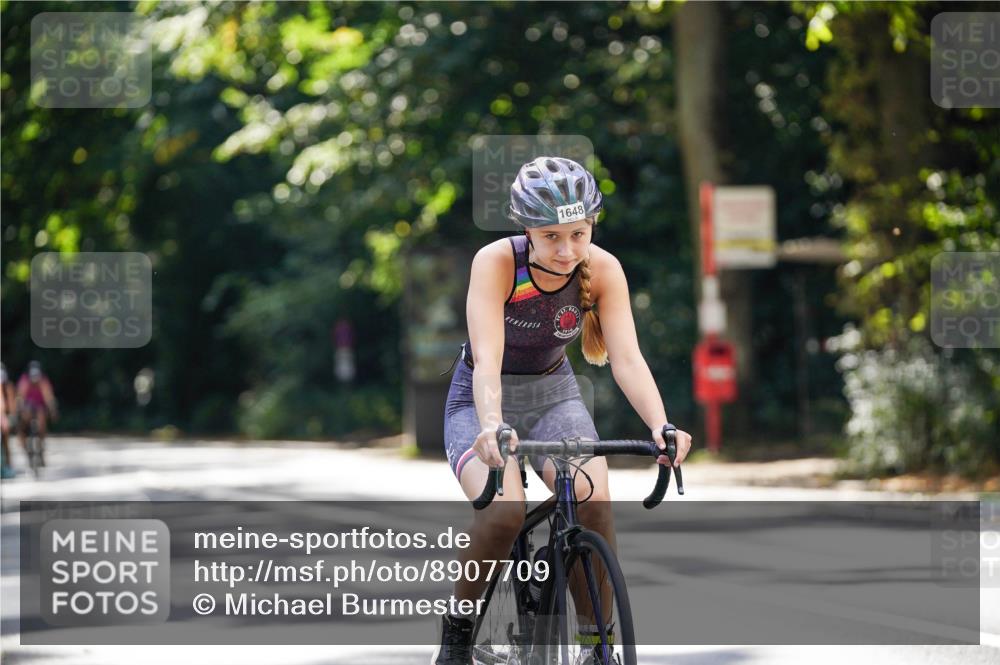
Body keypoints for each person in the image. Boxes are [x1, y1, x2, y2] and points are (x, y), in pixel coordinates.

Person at [433, 157, 693, 664]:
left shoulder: (604, 269)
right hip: (481, 396)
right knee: (504, 512)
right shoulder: (497, 262)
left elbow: (627, 359)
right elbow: (487, 358)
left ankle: (596, 644)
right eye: (550, 236)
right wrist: (490, 427)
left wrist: (660, 426)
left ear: (592, 224)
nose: (566, 249)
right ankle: (459, 634)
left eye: (578, 233)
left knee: (594, 496)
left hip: (552, 394)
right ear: (525, 228)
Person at [17, 361, 58, 467]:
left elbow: (49, 397)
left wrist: (53, 410)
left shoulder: (43, 381)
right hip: (28, 406)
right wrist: (20, 410)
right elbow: (20, 397)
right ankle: (27, 448)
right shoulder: (25, 380)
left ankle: (41, 448)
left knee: (42, 423)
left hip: (40, 407)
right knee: (23, 422)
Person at [1, 363, 17, 478]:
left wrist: (11, 416)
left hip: (3, 415)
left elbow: (10, 404)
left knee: (6, 439)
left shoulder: (8, 387)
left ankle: (9, 465)